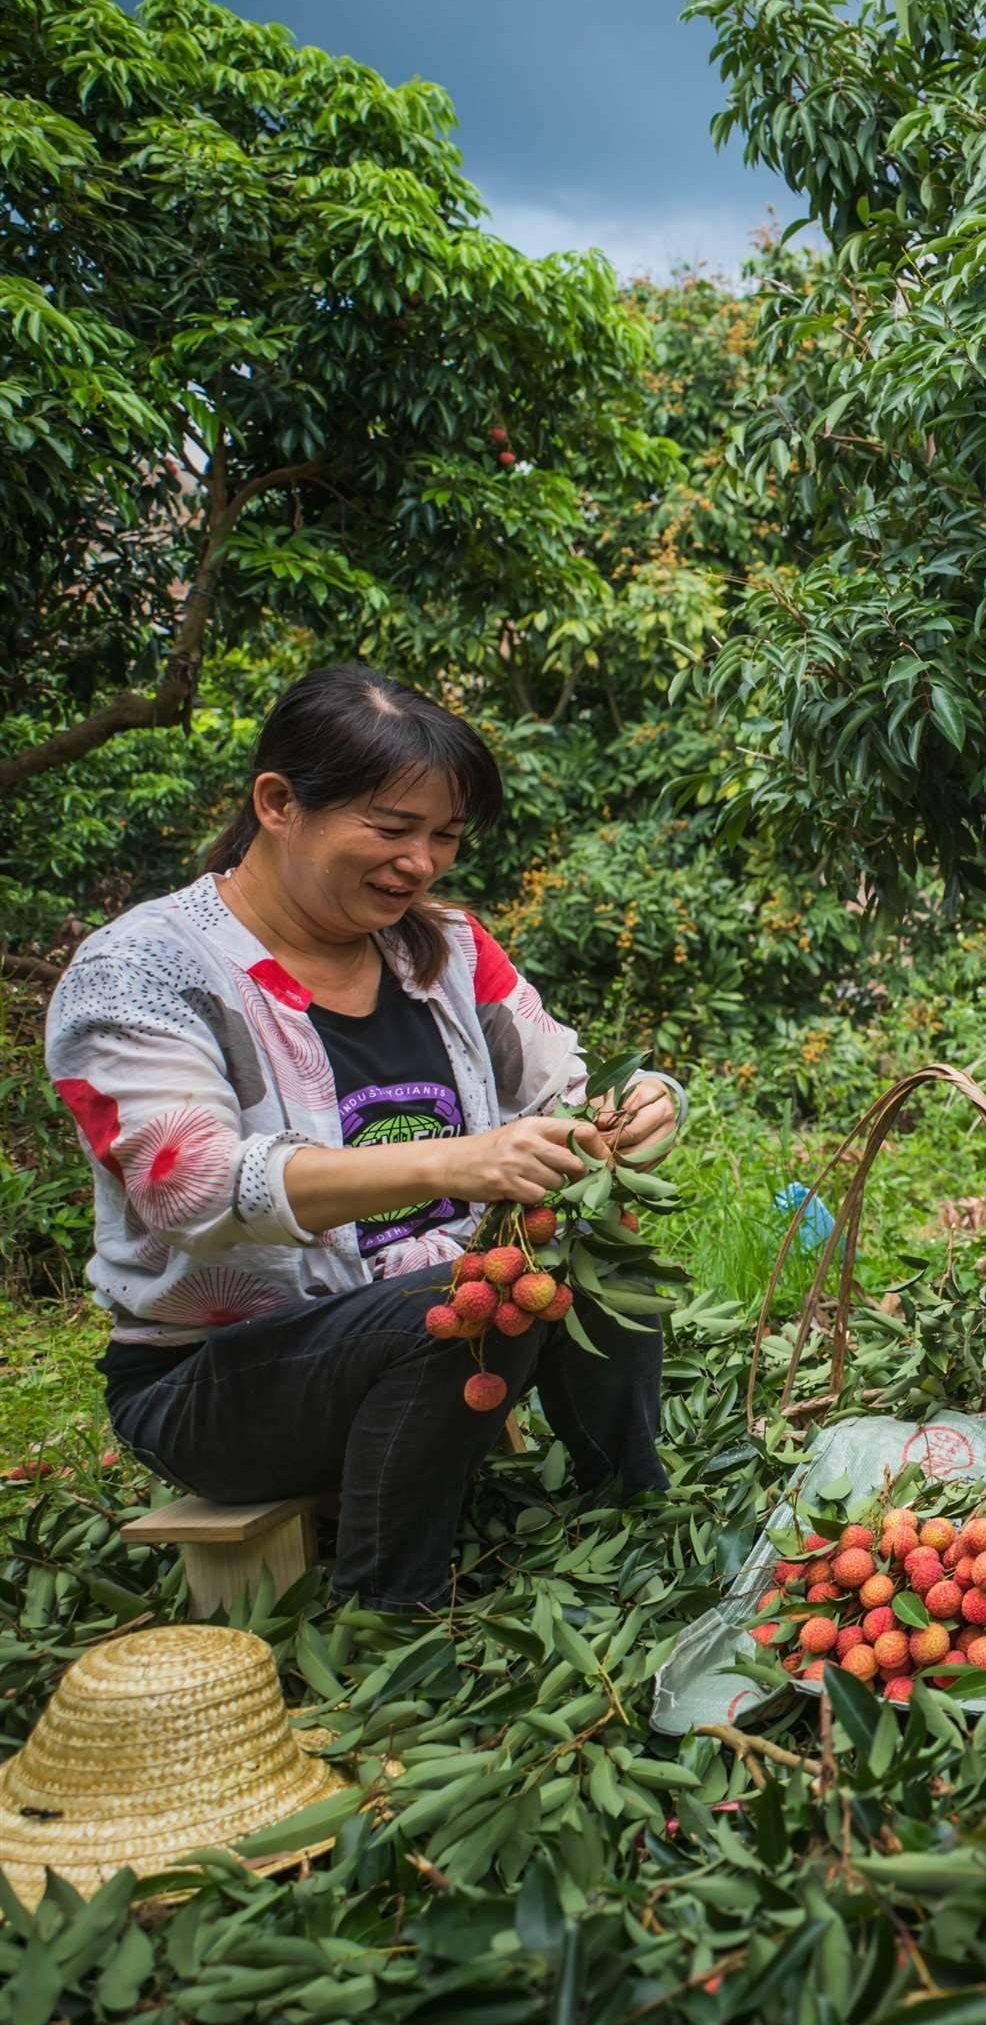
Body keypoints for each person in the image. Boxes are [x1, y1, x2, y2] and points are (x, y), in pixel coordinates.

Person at [45, 665, 684, 1614]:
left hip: (407, 1325)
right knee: (470, 1306)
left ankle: (634, 1518)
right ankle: (395, 1616)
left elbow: (564, 1090)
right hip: (213, 1385)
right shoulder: (142, 971)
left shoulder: (449, 951)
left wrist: (645, 1107)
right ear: (277, 803)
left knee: (592, 1257)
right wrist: (451, 1161)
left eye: (445, 837)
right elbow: (190, 1188)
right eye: (391, 829)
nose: (420, 863)